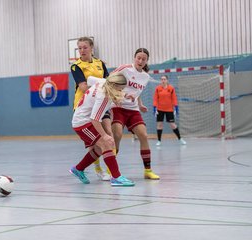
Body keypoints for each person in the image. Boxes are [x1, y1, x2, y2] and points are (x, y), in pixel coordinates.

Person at [70, 72, 134, 186]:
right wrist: (104, 135)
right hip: (82, 123)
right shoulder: (104, 97)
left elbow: (89, 79)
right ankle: (116, 177)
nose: (121, 92)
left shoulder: (104, 82)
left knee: (100, 149)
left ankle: (78, 169)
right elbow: (95, 119)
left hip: (85, 119)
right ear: (114, 87)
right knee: (106, 144)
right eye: (120, 90)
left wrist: (125, 95)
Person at [111, 48, 160, 180]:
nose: (140, 61)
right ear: (134, 58)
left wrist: (140, 103)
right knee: (117, 135)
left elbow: (136, 92)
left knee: (143, 135)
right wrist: (118, 96)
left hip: (133, 110)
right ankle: (112, 170)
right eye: (138, 58)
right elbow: (108, 82)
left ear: (146, 61)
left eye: (143, 59)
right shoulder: (124, 69)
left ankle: (148, 170)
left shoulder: (145, 76)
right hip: (118, 107)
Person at [71, 36, 110, 181]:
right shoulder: (76, 66)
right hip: (84, 106)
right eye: (79, 48)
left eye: (85, 47)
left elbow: (109, 82)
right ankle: (98, 169)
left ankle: (111, 170)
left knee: (109, 135)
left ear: (91, 48)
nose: (82, 50)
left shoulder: (100, 64)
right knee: (94, 142)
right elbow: (82, 86)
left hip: (101, 103)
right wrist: (102, 84)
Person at [153, 75, 186, 146]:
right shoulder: (158, 88)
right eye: (162, 79)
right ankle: (159, 141)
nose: (163, 81)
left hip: (169, 109)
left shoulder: (171, 88)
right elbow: (155, 99)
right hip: (160, 109)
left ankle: (180, 139)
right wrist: (154, 108)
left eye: (164, 79)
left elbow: (174, 98)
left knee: (173, 125)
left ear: (167, 80)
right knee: (159, 125)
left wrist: (176, 107)